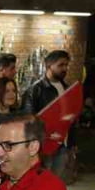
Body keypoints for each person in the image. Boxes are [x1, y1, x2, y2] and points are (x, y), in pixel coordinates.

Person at [23, 50, 75, 181]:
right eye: (61, 65)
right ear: (49, 65)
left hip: (63, 144)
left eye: (66, 65)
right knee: (39, 183)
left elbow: (71, 118)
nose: (65, 68)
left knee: (55, 183)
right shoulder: (35, 90)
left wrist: (72, 143)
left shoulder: (68, 89)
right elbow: (28, 119)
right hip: (44, 146)